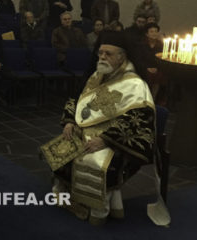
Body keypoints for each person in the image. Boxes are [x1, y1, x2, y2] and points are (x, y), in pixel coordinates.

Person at [46, 31, 156, 225]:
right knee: (61, 149)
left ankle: (97, 210)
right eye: (100, 53)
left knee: (94, 162)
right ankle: (68, 197)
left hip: (114, 139)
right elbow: (77, 98)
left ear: (122, 57)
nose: (102, 57)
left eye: (108, 54)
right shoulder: (97, 75)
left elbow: (137, 119)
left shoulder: (134, 84)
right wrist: (70, 121)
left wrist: (105, 139)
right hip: (86, 130)